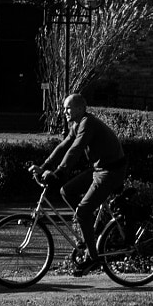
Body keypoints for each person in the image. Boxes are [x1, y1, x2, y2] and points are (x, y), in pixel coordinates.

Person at [36, 91, 127, 273]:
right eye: (64, 109)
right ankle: (89, 230)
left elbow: (75, 150)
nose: (65, 112)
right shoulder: (77, 124)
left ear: (80, 108)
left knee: (83, 211)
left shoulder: (88, 123)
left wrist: (59, 172)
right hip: (98, 169)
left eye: (68, 108)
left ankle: (94, 259)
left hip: (111, 171)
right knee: (66, 191)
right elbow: (64, 146)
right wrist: (43, 166)